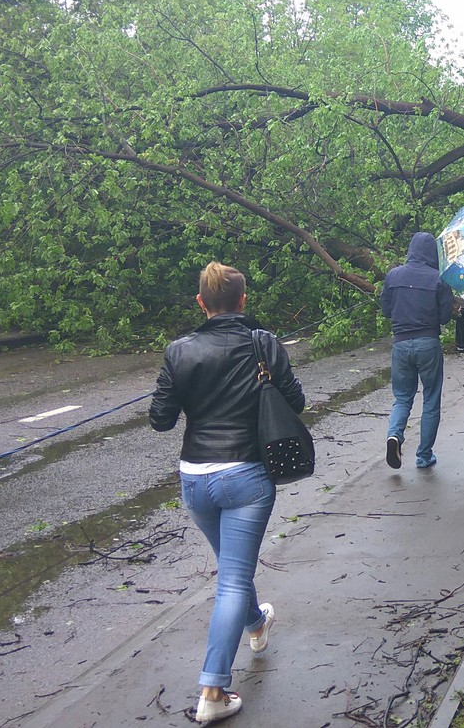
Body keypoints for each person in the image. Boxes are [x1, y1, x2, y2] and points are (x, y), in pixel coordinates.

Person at [150, 262, 305, 725]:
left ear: (201, 303)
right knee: (233, 580)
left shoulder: (179, 351)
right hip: (246, 479)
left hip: (195, 480)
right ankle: (213, 690)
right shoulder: (263, 343)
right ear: (242, 301)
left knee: (233, 572)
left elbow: (160, 419)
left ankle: (256, 624)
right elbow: (295, 402)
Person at [379, 232, 456, 469]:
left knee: (402, 398)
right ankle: (424, 455)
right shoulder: (439, 279)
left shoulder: (393, 275)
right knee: (431, 399)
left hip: (401, 343)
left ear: (411, 250)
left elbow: (385, 309)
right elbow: (444, 316)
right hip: (428, 342)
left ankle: (394, 435)